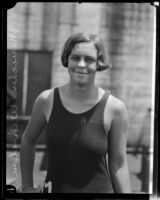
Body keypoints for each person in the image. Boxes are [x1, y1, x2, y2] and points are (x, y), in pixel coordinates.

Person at [20, 33, 131, 193]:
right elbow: (28, 141)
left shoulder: (115, 109)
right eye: (75, 57)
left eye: (89, 59)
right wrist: (26, 187)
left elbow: (119, 166)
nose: (81, 64)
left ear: (99, 63)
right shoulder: (46, 100)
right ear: (67, 59)